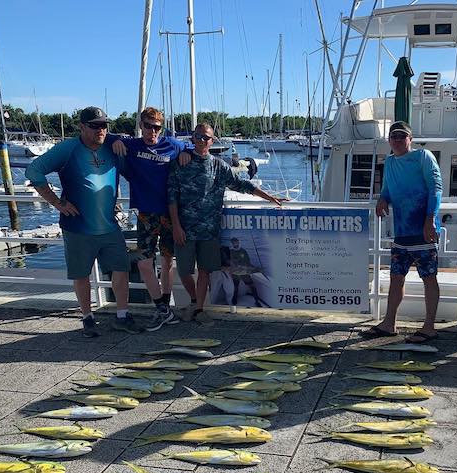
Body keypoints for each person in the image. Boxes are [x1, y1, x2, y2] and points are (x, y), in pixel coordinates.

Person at [25, 107, 143, 337]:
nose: (101, 130)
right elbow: (34, 170)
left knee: (121, 269)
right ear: (81, 126)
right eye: (95, 125)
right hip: (78, 226)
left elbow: (138, 169)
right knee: (81, 274)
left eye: (104, 125)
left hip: (109, 226)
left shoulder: (112, 147)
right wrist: (58, 203)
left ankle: (122, 315)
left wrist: (117, 139)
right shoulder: (68, 149)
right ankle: (87, 318)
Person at [167, 123, 285, 323]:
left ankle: (199, 309)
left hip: (210, 230)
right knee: (184, 271)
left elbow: (241, 184)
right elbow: (171, 197)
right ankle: (195, 300)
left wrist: (269, 197)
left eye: (206, 138)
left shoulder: (219, 166)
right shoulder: (180, 163)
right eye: (198, 136)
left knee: (204, 271)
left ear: (212, 141)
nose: (201, 141)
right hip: (184, 229)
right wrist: (176, 226)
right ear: (192, 138)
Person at [110, 107, 191, 331]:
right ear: (141, 126)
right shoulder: (132, 146)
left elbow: (195, 146)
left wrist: (188, 152)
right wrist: (116, 139)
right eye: (148, 126)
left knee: (167, 262)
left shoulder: (172, 145)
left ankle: (164, 305)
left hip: (170, 213)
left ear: (161, 128)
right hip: (146, 213)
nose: (152, 131)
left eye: (156, 127)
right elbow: (102, 136)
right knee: (145, 263)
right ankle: (163, 309)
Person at [363, 121, 442, 344]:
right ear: (389, 140)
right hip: (402, 232)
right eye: (393, 136)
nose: (397, 140)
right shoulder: (389, 161)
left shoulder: (423, 156)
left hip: (424, 231)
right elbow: (387, 188)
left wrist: (430, 219)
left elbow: (436, 188)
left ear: (410, 139)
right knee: (396, 277)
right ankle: (389, 323)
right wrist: (382, 198)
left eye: (402, 136)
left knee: (429, 277)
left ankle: (429, 326)